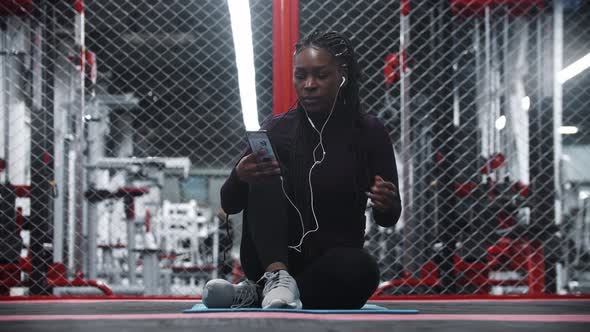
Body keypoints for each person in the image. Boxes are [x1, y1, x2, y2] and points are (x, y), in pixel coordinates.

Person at [202, 31, 401, 309]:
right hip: (272, 260)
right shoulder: (276, 129)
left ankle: (256, 295)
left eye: (321, 75)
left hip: (329, 264)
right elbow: (229, 203)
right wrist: (239, 176)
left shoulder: (369, 132)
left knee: (363, 269)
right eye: (301, 76)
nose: (309, 85)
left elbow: (389, 217)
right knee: (263, 172)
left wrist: (386, 202)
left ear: (341, 75)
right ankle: (275, 281)